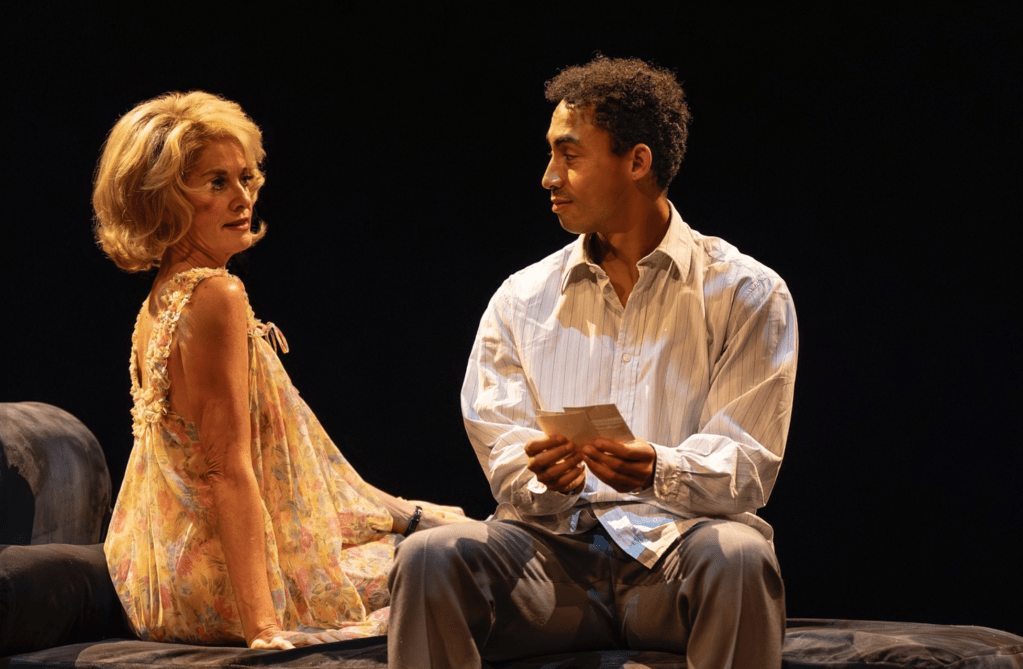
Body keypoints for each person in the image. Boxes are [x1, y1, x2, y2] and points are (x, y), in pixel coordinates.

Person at [387, 56, 798, 668]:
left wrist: (656, 468)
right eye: (551, 154)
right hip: (549, 563)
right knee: (430, 555)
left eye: (570, 155)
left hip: (674, 556)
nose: (549, 176)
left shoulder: (745, 293)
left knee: (739, 554)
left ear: (637, 162)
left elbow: (747, 465)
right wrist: (542, 476)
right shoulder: (523, 298)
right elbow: (501, 444)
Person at [93, 91, 469, 650]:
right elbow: (226, 470)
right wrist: (264, 630)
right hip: (221, 584)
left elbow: (289, 473)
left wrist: (408, 515)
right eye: (216, 182)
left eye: (245, 177)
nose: (243, 197)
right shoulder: (215, 295)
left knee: (440, 532)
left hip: (160, 577)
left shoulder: (159, 301)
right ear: (162, 199)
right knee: (453, 565)